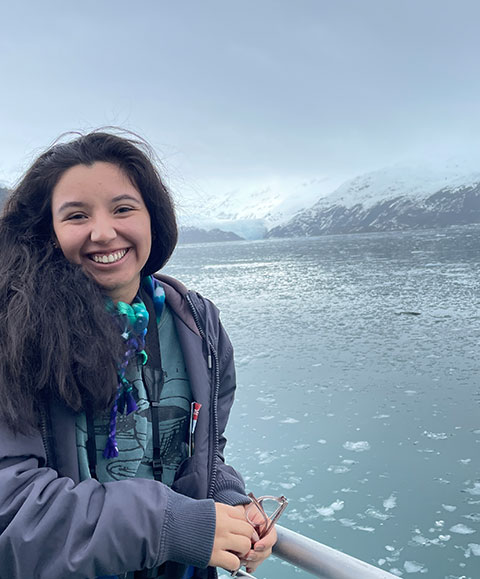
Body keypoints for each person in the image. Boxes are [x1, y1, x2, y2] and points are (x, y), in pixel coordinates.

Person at [0, 130, 277, 578]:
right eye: (76, 215)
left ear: (154, 218)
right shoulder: (13, 336)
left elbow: (202, 450)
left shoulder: (198, 326)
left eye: (123, 208)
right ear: (47, 232)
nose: (104, 232)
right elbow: (11, 510)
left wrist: (228, 502)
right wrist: (168, 524)